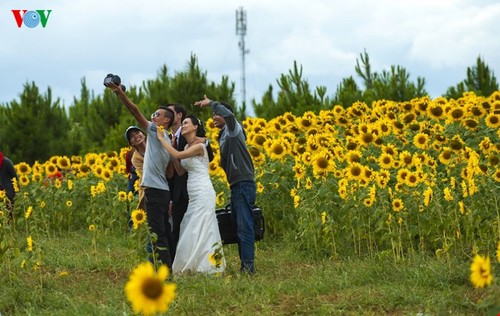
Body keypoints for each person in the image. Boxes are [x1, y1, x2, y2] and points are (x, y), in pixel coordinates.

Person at [106, 82, 175, 270]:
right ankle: (168, 268)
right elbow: (170, 171)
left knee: (156, 233)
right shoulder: (167, 140)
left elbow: (135, 112)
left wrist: (120, 93)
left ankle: (162, 272)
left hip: (153, 189)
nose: (153, 117)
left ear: (165, 121)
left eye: (157, 115)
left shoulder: (154, 132)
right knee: (164, 231)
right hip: (164, 191)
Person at [195, 95, 257, 274]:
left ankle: (248, 269)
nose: (214, 117)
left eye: (217, 114)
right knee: (239, 228)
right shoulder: (224, 135)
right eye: (213, 114)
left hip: (243, 184)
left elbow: (230, 117)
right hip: (237, 185)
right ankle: (245, 266)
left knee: (244, 228)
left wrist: (211, 103)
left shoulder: (233, 129)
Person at [157, 115, 225, 274]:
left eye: (186, 123)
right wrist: (173, 154)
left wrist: (162, 140)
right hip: (193, 192)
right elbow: (180, 170)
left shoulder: (200, 147)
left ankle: (207, 266)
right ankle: (194, 263)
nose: (183, 125)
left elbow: (179, 156)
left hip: (203, 190)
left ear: (195, 127)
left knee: (203, 225)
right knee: (191, 225)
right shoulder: (187, 147)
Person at [125, 126, 146, 211]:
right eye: (132, 136)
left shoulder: (154, 145)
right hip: (145, 182)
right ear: (131, 144)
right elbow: (146, 174)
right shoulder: (133, 157)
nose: (136, 136)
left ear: (143, 134)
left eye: (137, 133)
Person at [0, 151, 18, 223]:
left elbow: (14, 177)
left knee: (9, 217)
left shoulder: (6, 162)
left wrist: (16, 191)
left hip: (8, 194)